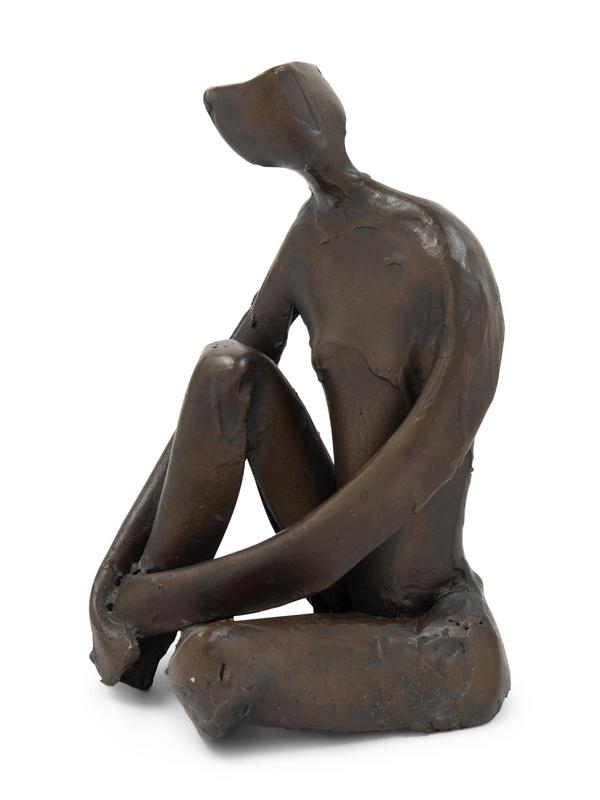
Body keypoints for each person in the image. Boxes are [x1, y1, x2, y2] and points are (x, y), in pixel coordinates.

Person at [90, 62, 510, 737]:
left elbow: (390, 496)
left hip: (430, 628)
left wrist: (176, 597)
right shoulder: (311, 238)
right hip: (337, 583)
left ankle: (155, 621)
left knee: (210, 666)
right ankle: (136, 646)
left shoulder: (443, 251)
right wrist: (113, 580)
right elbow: (211, 403)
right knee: (224, 370)